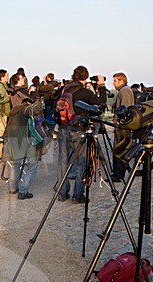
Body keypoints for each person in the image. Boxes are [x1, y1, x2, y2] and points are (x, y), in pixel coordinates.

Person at [55, 65, 107, 203]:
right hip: (79, 130)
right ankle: (78, 195)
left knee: (62, 162)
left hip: (63, 128)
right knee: (81, 163)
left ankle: (62, 193)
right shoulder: (85, 92)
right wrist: (101, 86)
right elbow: (100, 106)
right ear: (85, 77)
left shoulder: (64, 89)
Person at [4, 74, 43, 199]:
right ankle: (23, 190)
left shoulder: (14, 110)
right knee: (32, 165)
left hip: (12, 136)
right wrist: (34, 95)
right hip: (25, 138)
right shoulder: (26, 108)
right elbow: (36, 110)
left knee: (16, 163)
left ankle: (12, 187)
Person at [111, 72, 134, 182]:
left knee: (120, 149)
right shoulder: (124, 91)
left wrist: (119, 123)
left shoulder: (124, 91)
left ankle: (118, 174)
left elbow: (124, 109)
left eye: (115, 81)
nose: (113, 83)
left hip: (123, 127)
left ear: (121, 81)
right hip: (122, 126)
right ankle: (118, 173)